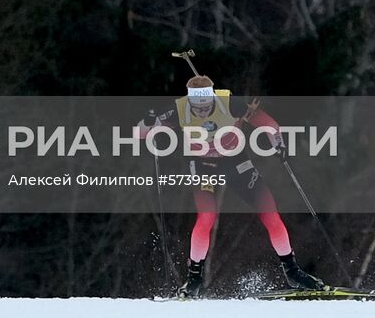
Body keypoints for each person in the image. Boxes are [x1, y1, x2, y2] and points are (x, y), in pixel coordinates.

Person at [139, 75, 325, 298]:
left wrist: (277, 141)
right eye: (197, 107)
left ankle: (293, 271)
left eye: (206, 106)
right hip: (201, 165)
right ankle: (194, 279)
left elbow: (267, 123)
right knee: (206, 217)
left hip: (235, 161)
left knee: (270, 214)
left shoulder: (228, 102)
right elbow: (140, 133)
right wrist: (149, 126)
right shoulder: (178, 109)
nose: (202, 112)